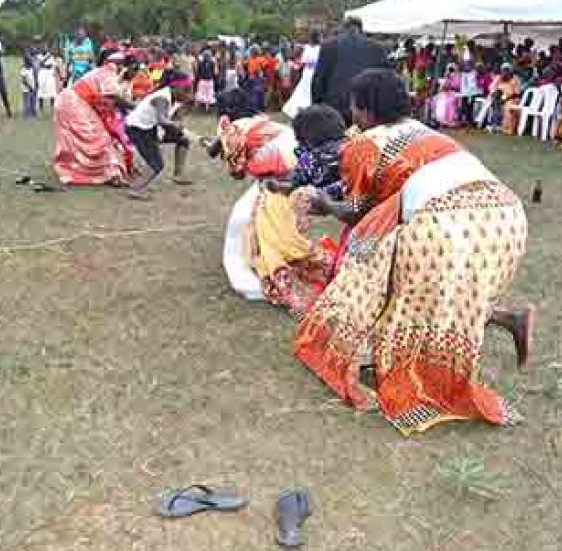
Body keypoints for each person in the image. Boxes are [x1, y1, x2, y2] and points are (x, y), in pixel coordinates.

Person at [294, 69, 533, 435]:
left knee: (387, 283)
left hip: (444, 223)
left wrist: (324, 203)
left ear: (366, 109)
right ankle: (509, 318)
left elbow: (358, 211)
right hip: (505, 217)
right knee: (439, 293)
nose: (352, 115)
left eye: (355, 107)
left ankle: (390, 363)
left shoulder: (366, 143)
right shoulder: (427, 132)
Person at [217, 99, 345, 315]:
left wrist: (283, 187)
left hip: (344, 207)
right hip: (291, 190)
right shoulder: (335, 151)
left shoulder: (237, 130)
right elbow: (299, 180)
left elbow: (237, 169)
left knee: (269, 230)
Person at [52, 52, 134, 186]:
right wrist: (135, 106)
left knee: (77, 139)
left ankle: (76, 168)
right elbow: (113, 97)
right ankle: (110, 174)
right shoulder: (109, 72)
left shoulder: (103, 72)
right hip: (74, 103)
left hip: (67, 101)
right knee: (100, 138)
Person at [125, 71, 194, 199]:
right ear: (174, 87)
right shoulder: (162, 97)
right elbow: (162, 119)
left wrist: (178, 128)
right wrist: (175, 125)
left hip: (151, 129)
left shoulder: (175, 99)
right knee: (156, 164)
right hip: (138, 129)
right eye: (185, 90)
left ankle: (178, 175)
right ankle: (136, 188)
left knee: (183, 140)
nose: (188, 93)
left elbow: (170, 122)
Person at [311, 18, 389, 123]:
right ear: (361, 29)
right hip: (367, 109)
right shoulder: (377, 47)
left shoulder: (329, 46)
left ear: (343, 28)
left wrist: (317, 106)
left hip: (335, 107)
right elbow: (386, 79)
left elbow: (318, 80)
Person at [283, 32, 322, 119]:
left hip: (307, 72)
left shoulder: (307, 48)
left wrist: (295, 66)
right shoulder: (320, 48)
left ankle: (300, 108)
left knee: (303, 90)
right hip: (315, 71)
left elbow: (303, 62)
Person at [432, 63, 461, 128]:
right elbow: (442, 87)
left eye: (452, 70)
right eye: (449, 70)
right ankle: (438, 119)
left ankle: (449, 120)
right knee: (435, 99)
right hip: (445, 93)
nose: (450, 71)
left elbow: (457, 87)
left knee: (449, 102)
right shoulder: (446, 76)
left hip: (454, 93)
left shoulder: (458, 77)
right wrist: (446, 82)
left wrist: (450, 84)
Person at [35, 44, 58, 113]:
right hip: (42, 74)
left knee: (52, 90)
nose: (44, 49)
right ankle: (41, 107)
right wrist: (47, 58)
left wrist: (46, 64)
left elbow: (52, 65)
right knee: (41, 90)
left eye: (45, 48)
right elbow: (40, 64)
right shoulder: (38, 56)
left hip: (50, 74)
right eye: (42, 48)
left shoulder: (51, 56)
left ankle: (52, 107)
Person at [19, 51, 37, 119]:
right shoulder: (23, 69)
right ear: (26, 61)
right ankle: (26, 115)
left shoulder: (32, 68)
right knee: (27, 102)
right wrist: (29, 87)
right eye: (29, 60)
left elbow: (35, 76)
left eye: (31, 59)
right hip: (26, 88)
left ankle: (33, 113)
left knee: (33, 101)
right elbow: (23, 80)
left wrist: (35, 85)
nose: (31, 61)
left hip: (33, 86)